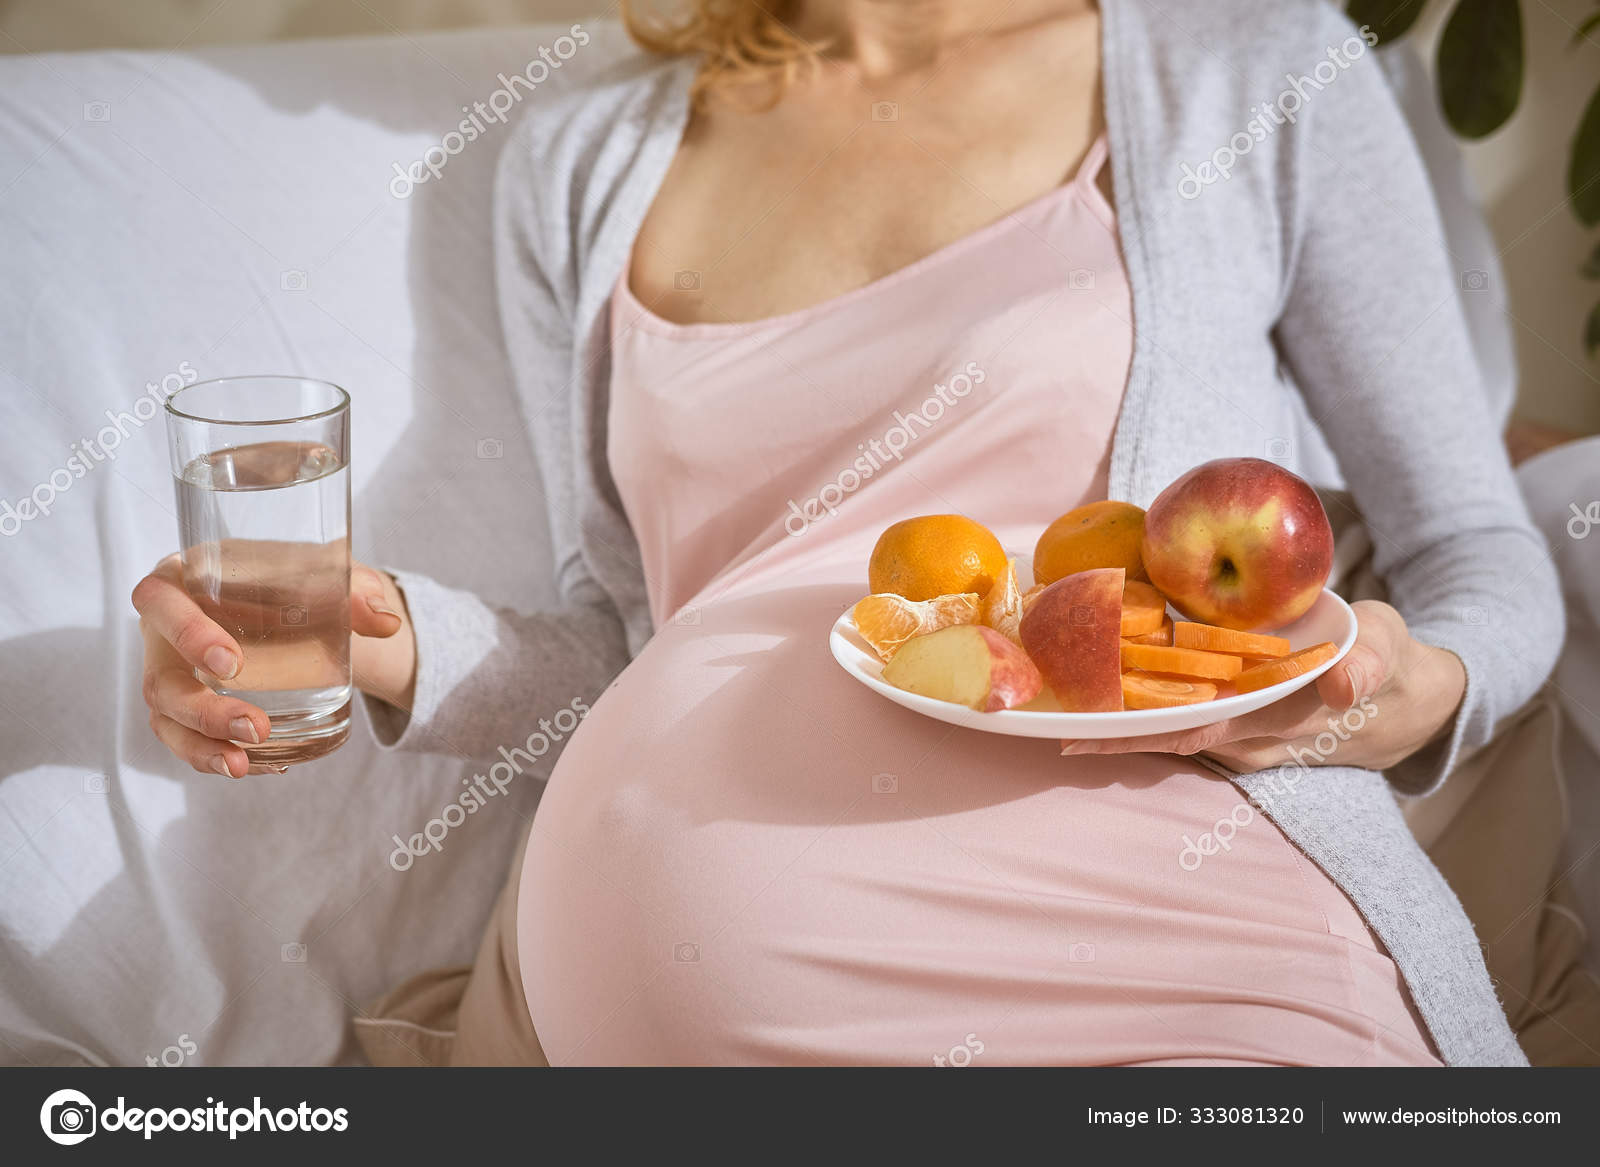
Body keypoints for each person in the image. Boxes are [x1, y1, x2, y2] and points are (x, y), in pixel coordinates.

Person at [132, 0, 1562, 1065]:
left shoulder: (1247, 67)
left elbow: (1473, 553)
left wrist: (1416, 692)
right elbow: (638, 642)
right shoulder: (581, 161)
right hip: (675, 955)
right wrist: (376, 632)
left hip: (1175, 914)